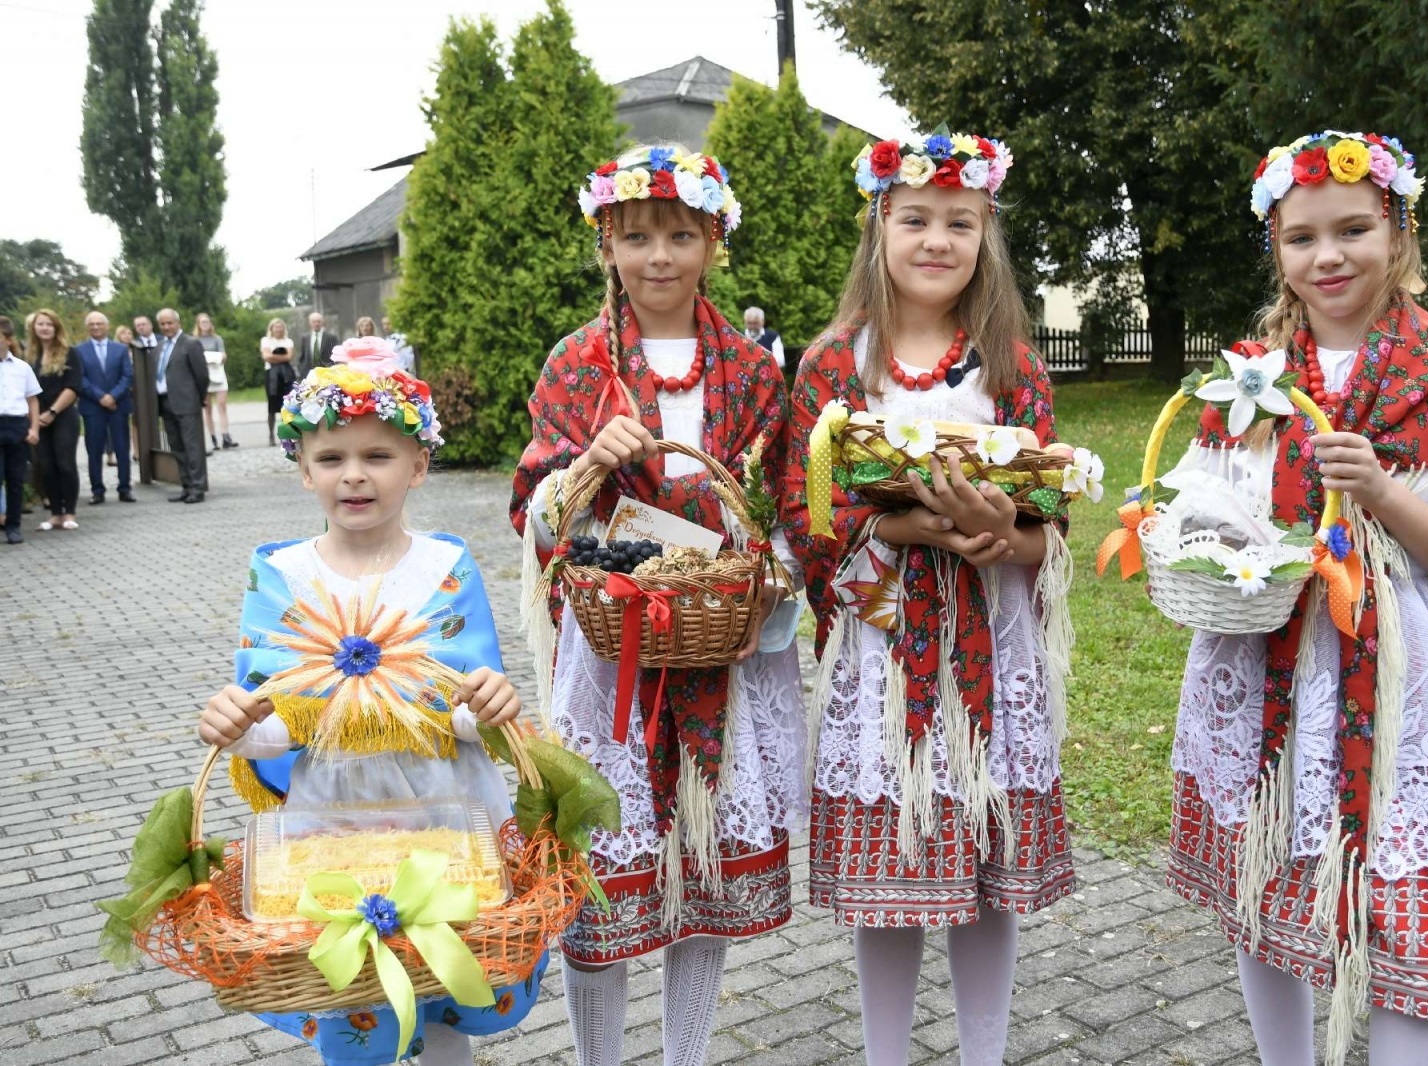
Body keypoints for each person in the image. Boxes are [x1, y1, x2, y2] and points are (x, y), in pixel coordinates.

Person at [1160, 132, 1428, 1066]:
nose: (1327, 256)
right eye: (1302, 238)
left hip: (1390, 691)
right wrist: (1212, 540)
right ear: (1277, 250)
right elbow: (1197, 514)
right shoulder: (1249, 380)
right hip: (1258, 671)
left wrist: (1381, 492)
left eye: (1353, 230)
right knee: (1263, 897)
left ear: (1398, 229)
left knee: (1402, 932)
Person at [781, 129, 1076, 1066]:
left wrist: (1001, 535)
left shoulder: (1012, 364)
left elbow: (1050, 516)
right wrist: (902, 529)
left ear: (987, 234)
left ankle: (985, 1051)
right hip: (882, 646)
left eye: (961, 221)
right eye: (916, 219)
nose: (937, 240)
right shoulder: (834, 364)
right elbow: (804, 510)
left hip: (988, 638)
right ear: (880, 227)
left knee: (984, 867)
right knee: (893, 865)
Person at [509, 144, 801, 1066]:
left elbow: (785, 513)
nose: (660, 256)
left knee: (698, 877)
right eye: (637, 237)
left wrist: (762, 598)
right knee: (597, 877)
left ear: (714, 241)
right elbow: (536, 519)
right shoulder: (577, 365)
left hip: (719, 649)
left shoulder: (752, 371)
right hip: (610, 660)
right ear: (607, 244)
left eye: (681, 234)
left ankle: (687, 1058)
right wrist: (586, 465)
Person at [197, 338, 534, 1066]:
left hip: (446, 807)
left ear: (419, 465)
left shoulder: (445, 567)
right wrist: (238, 727)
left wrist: (487, 706)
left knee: (444, 976)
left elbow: (464, 711)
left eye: (378, 455)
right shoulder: (281, 574)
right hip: (331, 816)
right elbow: (273, 720)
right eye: (331, 458)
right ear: (303, 470)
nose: (354, 474)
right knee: (350, 992)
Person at [28, 309, 84, 531]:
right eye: (40, 324)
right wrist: (35, 417)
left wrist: (52, 412)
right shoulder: (29, 356)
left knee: (65, 464)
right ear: (34, 328)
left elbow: (73, 387)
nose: (44, 328)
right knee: (46, 466)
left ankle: (69, 512)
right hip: (37, 418)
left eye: (49, 324)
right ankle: (55, 514)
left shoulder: (70, 353)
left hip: (63, 415)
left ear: (56, 327)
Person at [74, 312, 136, 505]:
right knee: (94, 450)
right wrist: (100, 397)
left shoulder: (120, 349)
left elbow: (127, 376)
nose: (95, 327)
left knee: (122, 448)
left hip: (118, 405)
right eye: (91, 324)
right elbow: (80, 378)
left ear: (107, 326)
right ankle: (97, 490)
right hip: (92, 406)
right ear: (87, 327)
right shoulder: (78, 350)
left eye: (99, 324)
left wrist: (112, 396)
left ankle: (124, 488)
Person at [154, 308, 210, 503]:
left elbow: (202, 375)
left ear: (178, 323)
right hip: (165, 401)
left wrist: (198, 396)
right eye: (162, 324)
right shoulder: (159, 346)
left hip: (187, 402)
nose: (166, 327)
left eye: (169, 323)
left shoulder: (190, 343)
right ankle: (186, 486)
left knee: (192, 447)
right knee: (177, 447)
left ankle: (198, 487)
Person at [0, 315, 41, 544]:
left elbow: (32, 400)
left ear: (8, 339)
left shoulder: (22, 368)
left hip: (16, 425)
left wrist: (34, 428)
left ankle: (13, 526)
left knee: (15, 479)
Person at [195, 312, 237, 451]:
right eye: (202, 322)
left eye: (207, 322)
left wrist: (215, 358)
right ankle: (213, 438)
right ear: (198, 324)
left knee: (222, 406)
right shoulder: (195, 340)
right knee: (207, 409)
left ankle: (225, 436)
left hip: (217, 373)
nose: (205, 324)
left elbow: (223, 356)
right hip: (204, 375)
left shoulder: (217, 338)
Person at [260, 317, 297, 443]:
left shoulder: (288, 341)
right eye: (276, 327)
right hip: (271, 375)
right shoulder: (266, 340)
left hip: (286, 374)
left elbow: (289, 357)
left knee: (287, 404)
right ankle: (271, 434)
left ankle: (286, 433)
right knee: (272, 405)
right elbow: (266, 356)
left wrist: (274, 356)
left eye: (280, 327)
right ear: (271, 329)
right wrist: (281, 357)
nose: (278, 329)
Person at [115, 323, 141, 462]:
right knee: (122, 423)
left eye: (129, 333)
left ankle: (138, 451)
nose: (127, 336)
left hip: (137, 389)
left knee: (137, 421)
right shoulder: (115, 351)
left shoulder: (137, 350)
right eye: (123, 333)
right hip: (121, 390)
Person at [298, 311, 337, 378]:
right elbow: (302, 356)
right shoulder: (305, 338)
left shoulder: (331, 337)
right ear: (310, 323)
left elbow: (335, 355)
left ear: (322, 322)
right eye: (314, 322)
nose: (316, 324)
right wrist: (301, 369)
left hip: (326, 373)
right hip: (309, 374)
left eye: (318, 321)